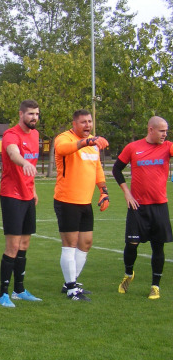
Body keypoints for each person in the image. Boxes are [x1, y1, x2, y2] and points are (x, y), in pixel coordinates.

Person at [112, 116, 173, 300]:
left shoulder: (167, 147)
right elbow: (116, 169)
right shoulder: (133, 148)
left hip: (159, 206)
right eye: (162, 131)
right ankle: (129, 274)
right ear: (150, 130)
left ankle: (155, 286)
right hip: (137, 206)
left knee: (158, 247)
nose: (165, 134)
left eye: (166, 131)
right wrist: (127, 193)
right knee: (131, 245)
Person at [53, 109, 109, 301]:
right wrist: (87, 141)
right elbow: (62, 150)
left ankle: (71, 281)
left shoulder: (93, 143)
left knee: (85, 243)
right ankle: (71, 289)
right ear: (74, 123)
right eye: (83, 122)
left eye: (90, 121)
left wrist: (104, 191)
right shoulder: (64, 138)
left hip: (85, 201)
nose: (87, 125)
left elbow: (97, 168)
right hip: (67, 200)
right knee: (70, 244)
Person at [0, 100, 43, 307]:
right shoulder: (10, 135)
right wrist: (23, 162)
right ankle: (3, 294)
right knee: (13, 245)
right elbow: (13, 153)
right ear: (21, 114)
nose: (34, 117)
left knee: (24, 244)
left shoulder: (35, 135)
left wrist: (33, 190)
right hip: (12, 195)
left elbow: (31, 166)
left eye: (37, 114)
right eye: (31, 114)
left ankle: (19, 289)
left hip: (27, 196)